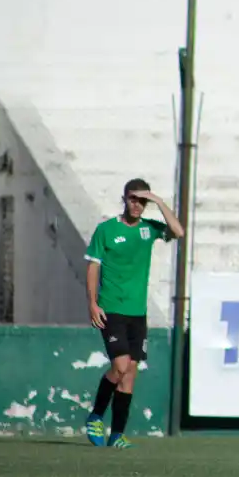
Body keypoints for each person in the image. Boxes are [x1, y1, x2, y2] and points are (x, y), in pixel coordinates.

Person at [82, 178, 184, 448]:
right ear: (124, 199)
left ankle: (116, 435)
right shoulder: (106, 230)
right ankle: (95, 416)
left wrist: (159, 200)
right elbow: (92, 266)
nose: (137, 205)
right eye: (133, 199)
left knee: (130, 374)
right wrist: (92, 303)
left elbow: (178, 232)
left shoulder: (149, 229)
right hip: (112, 308)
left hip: (137, 313)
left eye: (142, 201)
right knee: (120, 366)